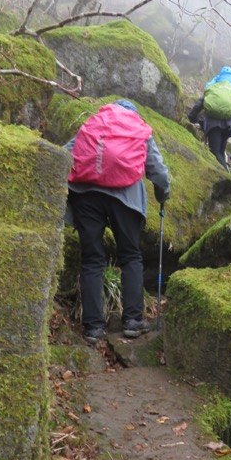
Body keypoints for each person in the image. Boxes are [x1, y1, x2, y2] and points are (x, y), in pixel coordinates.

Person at [64, 99, 171, 344]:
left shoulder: (92, 124)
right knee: (130, 256)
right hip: (125, 197)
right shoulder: (140, 129)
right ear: (133, 114)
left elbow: (66, 151)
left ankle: (93, 327)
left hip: (85, 195)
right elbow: (158, 170)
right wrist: (162, 194)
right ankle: (132, 321)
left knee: (92, 258)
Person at [187, 66, 231, 171]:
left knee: (214, 151)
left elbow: (204, 95)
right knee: (220, 151)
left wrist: (191, 118)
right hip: (229, 124)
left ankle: (226, 176)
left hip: (214, 124)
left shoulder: (216, 81)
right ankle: (226, 172)